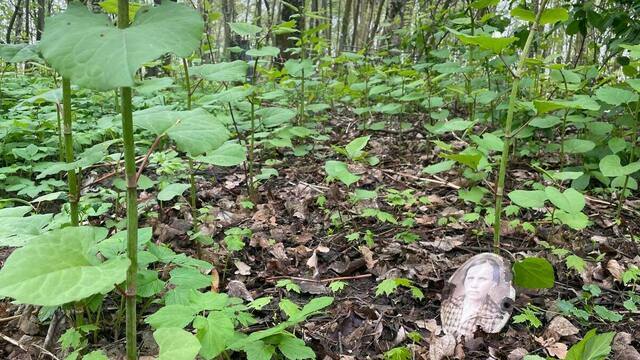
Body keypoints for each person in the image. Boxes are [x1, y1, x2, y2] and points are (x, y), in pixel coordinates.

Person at [441, 257, 508, 339]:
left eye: (482, 279)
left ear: (493, 284)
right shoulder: (450, 304)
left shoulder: (494, 316)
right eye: (470, 278)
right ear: (464, 280)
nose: (474, 284)